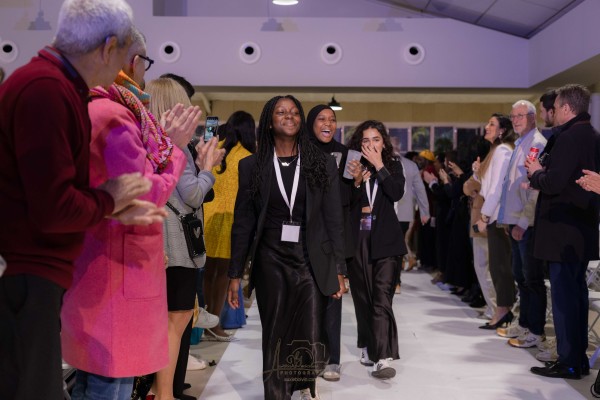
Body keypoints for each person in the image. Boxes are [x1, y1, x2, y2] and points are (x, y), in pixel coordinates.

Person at [0, 2, 165, 399]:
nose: (124, 70)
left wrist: (110, 205)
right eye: (125, 56)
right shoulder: (46, 89)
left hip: (37, 274)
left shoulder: (54, 86)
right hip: (28, 275)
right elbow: (53, 208)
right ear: (108, 47)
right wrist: (109, 199)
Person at [60, 28, 200, 399]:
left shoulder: (89, 105)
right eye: (145, 63)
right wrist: (174, 149)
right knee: (110, 383)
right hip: (118, 272)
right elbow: (146, 196)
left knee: (93, 379)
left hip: (99, 268)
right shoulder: (113, 114)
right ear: (132, 61)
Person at [227, 95, 346, 400]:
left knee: (310, 327)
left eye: (294, 112)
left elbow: (334, 218)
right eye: (281, 112)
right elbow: (243, 223)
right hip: (270, 258)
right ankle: (277, 393)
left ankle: (302, 383)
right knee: (276, 328)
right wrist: (235, 273)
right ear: (269, 121)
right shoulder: (251, 165)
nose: (289, 116)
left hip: (310, 257)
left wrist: (339, 268)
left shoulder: (321, 164)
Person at [145, 77, 223, 400]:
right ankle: (165, 395)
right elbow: (192, 194)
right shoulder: (176, 146)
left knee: (160, 326)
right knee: (174, 324)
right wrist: (208, 168)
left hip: (153, 244)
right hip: (177, 248)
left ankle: (157, 391)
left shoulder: (147, 140)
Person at [527, 84, 600, 379]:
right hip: (580, 228)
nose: (553, 112)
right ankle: (577, 359)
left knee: (565, 299)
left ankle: (569, 360)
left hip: (562, 229)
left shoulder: (569, 137)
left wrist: (535, 174)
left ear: (567, 108)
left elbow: (554, 182)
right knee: (576, 296)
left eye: (556, 107)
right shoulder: (592, 134)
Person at [346, 120, 406, 380]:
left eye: (376, 139)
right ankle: (366, 344)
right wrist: (357, 182)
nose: (371, 144)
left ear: (384, 142)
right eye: (366, 140)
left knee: (382, 298)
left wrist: (380, 166)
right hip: (359, 236)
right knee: (363, 297)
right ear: (359, 144)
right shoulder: (352, 165)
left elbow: (396, 193)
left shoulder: (393, 165)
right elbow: (344, 202)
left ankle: (383, 357)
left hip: (387, 238)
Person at [306, 104, 354, 382]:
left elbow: (346, 201)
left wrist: (356, 182)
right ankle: (310, 356)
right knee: (308, 303)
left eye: (332, 119)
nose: (328, 123)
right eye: (321, 119)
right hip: (306, 238)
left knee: (333, 299)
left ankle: (332, 358)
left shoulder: (346, 154)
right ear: (311, 123)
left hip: (333, 235)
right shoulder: (299, 152)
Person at [495, 100, 547, 348]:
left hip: (527, 224)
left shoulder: (536, 143)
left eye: (520, 116)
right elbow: (512, 186)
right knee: (521, 277)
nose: (515, 120)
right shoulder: (520, 143)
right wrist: (508, 219)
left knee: (531, 279)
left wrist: (523, 222)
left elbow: (534, 189)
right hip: (515, 220)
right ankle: (525, 324)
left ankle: (536, 330)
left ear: (533, 117)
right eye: (513, 116)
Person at [203, 111, 256, 340]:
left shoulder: (215, 149)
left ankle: (204, 321)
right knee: (224, 274)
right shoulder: (248, 156)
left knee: (207, 272)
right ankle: (214, 323)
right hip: (231, 219)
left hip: (207, 216)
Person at [473, 113, 517, 330]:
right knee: (497, 266)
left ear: (502, 130)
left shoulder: (502, 151)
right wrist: (477, 173)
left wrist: (484, 215)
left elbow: (498, 188)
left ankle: (503, 311)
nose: (486, 126)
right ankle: (502, 310)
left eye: (491, 124)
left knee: (500, 267)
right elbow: (487, 187)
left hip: (499, 216)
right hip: (495, 215)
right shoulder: (496, 151)